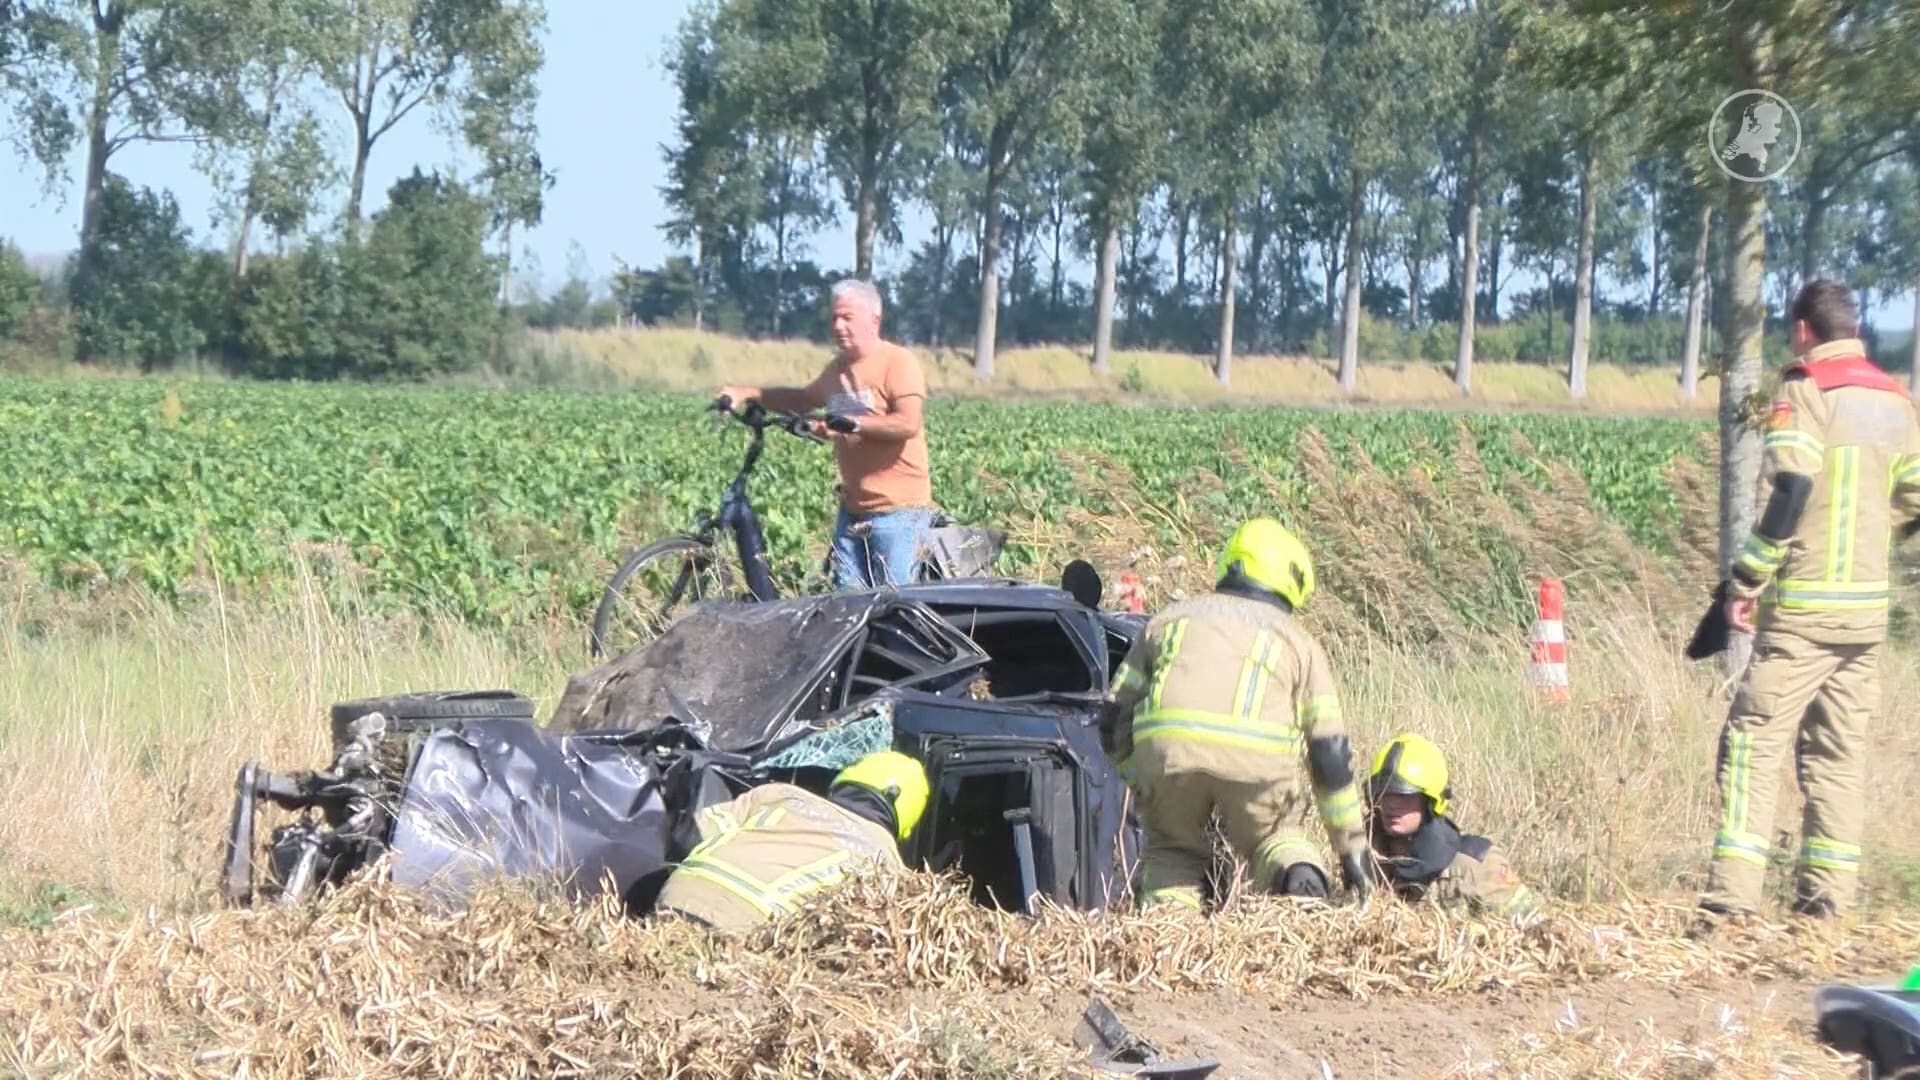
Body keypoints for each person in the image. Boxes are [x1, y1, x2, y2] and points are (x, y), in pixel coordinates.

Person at [1699, 279, 1920, 926]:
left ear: (1802, 331)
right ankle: (1825, 908)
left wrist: (1746, 580)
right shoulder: (1896, 398)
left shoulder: (1806, 390)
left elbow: (1791, 488)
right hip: (1865, 615)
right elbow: (1916, 498)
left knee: (1753, 744)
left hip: (1803, 611)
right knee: (1838, 755)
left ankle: (1728, 904)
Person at [1099, 518, 1372, 912]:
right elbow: (1330, 755)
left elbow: (1112, 717)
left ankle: (1168, 937)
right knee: (1276, 839)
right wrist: (1352, 853)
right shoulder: (1300, 643)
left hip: (1167, 758)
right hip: (1257, 765)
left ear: (1229, 563)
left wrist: (1136, 772)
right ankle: (1296, 880)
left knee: (1172, 852)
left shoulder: (1168, 621)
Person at [717, 279, 934, 590]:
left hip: (898, 514)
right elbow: (803, 400)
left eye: (847, 317)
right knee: (845, 610)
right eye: (833, 318)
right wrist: (750, 393)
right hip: (852, 512)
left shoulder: (898, 363)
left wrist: (853, 423)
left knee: (896, 609)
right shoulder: (837, 371)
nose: (838, 325)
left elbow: (907, 424)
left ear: (874, 319)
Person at [652, 750, 931, 933]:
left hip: (677, 894)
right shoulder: (887, 862)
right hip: (748, 927)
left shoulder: (782, 794)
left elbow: (689, 834)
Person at [1362, 732, 1537, 918]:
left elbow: (1536, 929)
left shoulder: (1476, 864)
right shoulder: (1363, 857)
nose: (1391, 805)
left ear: (1430, 801)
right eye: (1384, 794)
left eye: (1403, 796)